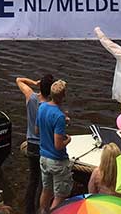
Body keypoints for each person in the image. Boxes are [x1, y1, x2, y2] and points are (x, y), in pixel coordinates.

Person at [16, 74, 52, 214]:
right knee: (44, 183)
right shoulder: (49, 106)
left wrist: (35, 83)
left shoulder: (30, 97)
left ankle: (28, 210)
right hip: (44, 146)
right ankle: (40, 209)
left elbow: (19, 79)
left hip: (31, 143)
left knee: (33, 180)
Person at [37, 79, 71, 214]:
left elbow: (37, 130)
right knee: (61, 195)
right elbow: (58, 145)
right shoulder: (58, 116)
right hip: (57, 160)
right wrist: (68, 140)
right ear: (63, 96)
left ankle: (42, 211)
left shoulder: (42, 107)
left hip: (43, 157)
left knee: (46, 190)